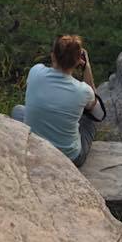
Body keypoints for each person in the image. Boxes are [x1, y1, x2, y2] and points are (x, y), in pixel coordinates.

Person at [11, 35, 101, 167]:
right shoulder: (83, 91)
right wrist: (86, 67)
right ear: (77, 61)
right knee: (89, 120)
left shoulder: (35, 71)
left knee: (18, 110)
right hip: (69, 158)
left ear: (53, 56)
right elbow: (97, 111)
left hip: (37, 149)